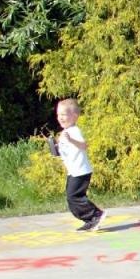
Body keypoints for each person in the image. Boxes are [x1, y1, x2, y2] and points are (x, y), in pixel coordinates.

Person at [52, 98, 103, 232]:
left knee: (74, 197)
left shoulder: (74, 131)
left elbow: (83, 145)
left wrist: (71, 140)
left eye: (64, 114)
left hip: (81, 170)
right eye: (58, 115)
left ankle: (95, 214)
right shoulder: (65, 133)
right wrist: (56, 149)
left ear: (74, 116)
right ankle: (90, 220)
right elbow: (65, 152)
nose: (60, 118)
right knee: (71, 199)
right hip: (74, 171)